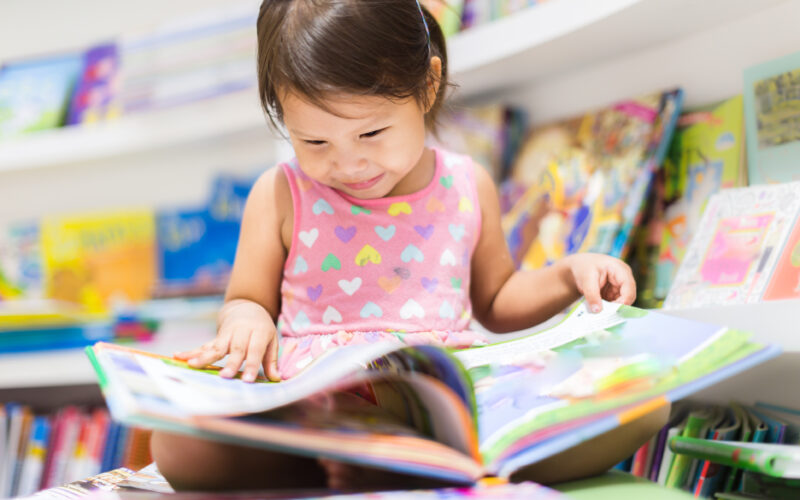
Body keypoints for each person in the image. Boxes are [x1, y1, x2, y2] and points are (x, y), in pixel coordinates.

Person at [151, 0, 666, 491]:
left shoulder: (467, 184)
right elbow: (247, 300)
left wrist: (566, 275)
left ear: (428, 85)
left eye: (372, 132)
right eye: (314, 142)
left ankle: (410, 464)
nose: (349, 163)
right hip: (325, 409)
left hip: (445, 403)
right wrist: (246, 321)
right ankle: (375, 465)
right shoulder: (281, 194)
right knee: (177, 448)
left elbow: (497, 302)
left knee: (644, 403)